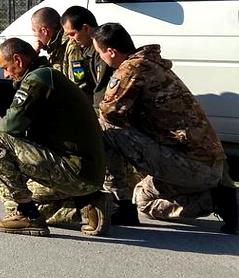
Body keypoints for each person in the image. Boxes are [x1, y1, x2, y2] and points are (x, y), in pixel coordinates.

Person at [94, 23, 236, 233]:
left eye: (100, 54)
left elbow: (108, 113)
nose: (101, 60)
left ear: (111, 52)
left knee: (106, 128)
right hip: (209, 166)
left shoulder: (131, 69)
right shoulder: (153, 64)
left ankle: (118, 204)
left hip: (190, 166)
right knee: (143, 199)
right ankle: (221, 201)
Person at [0, 38, 109, 237]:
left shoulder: (36, 80)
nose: (6, 74)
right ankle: (87, 203)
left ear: (18, 60)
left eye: (7, 67)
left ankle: (27, 215)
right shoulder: (49, 75)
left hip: (75, 169)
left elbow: (11, 126)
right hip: (85, 171)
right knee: (31, 193)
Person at [32, 7, 91, 98]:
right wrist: (32, 54)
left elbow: (79, 83)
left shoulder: (71, 46)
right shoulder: (55, 48)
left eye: (34, 31)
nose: (34, 35)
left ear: (44, 31)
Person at [61, 6, 104, 105]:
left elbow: (101, 91)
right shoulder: (85, 49)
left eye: (72, 34)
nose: (71, 39)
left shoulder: (101, 51)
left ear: (86, 28)